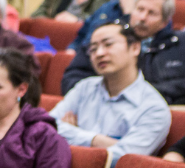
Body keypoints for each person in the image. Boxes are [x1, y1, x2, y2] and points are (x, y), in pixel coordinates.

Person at [51, 22, 171, 159]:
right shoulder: (84, 87)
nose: (99, 53)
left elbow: (124, 160)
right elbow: (46, 127)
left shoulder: (153, 108)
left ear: (135, 48)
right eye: (93, 49)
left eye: (108, 45)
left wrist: (70, 135)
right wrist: (96, 140)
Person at [61, 0, 161, 93]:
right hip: (89, 74)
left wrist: (130, 15)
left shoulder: (158, 17)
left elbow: (135, 55)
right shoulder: (107, 8)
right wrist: (71, 50)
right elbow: (82, 36)